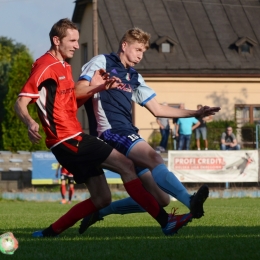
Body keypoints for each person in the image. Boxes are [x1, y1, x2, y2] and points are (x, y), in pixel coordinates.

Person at [14, 18, 193, 237]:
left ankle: (47, 233)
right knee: (126, 165)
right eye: (72, 41)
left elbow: (72, 104)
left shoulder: (64, 66)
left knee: (102, 198)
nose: (77, 46)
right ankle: (167, 222)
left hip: (70, 138)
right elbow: (21, 101)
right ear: (56, 40)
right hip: (67, 138)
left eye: (78, 40)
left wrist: (99, 86)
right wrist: (29, 121)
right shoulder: (45, 65)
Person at [75, 27, 220, 234]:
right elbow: (80, 87)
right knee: (154, 158)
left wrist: (195, 113)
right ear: (124, 46)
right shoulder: (102, 62)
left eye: (143, 51)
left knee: (161, 198)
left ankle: (101, 211)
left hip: (127, 132)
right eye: (137, 50)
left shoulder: (134, 76)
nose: (140, 56)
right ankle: (190, 201)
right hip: (109, 132)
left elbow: (158, 109)